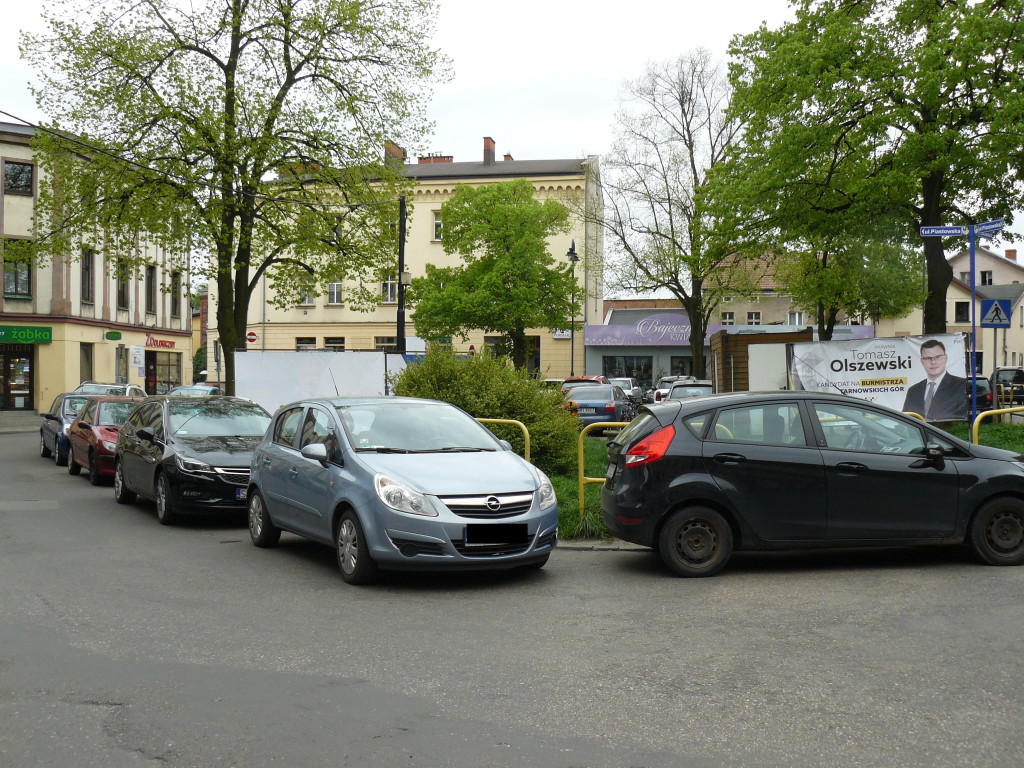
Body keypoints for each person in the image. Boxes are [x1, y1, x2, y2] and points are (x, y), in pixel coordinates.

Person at [902, 339, 967, 420]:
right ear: (922, 361)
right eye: (928, 358)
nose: (933, 362)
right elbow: (906, 420)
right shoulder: (913, 391)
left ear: (946, 358)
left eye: (937, 357)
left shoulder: (961, 385)